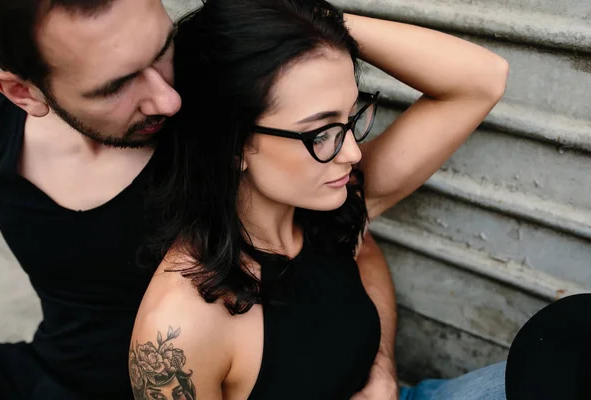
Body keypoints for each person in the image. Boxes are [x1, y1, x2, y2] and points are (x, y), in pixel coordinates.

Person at [0, 1, 397, 398]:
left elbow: (353, 243)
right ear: (21, 92)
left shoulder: (223, 125)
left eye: (164, 48)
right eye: (115, 86)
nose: (169, 99)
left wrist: (307, 22)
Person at [130, 0, 509, 399]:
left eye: (349, 119)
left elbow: (483, 79)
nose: (352, 153)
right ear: (231, 145)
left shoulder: (331, 202)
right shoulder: (179, 332)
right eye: (321, 133)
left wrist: (315, 22)